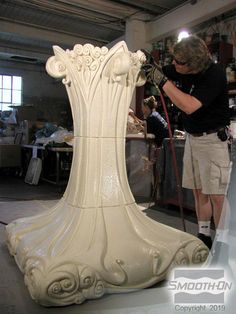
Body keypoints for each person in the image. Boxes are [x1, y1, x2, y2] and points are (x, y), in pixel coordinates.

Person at [146, 35, 231, 249]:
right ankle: (204, 234)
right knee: (198, 190)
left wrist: (163, 82)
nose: (174, 64)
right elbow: (161, 71)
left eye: (178, 62)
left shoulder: (215, 75)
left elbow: (190, 105)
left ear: (193, 64)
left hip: (213, 141)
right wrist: (147, 64)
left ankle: (224, 241)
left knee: (217, 195)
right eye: (174, 59)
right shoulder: (181, 66)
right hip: (193, 139)